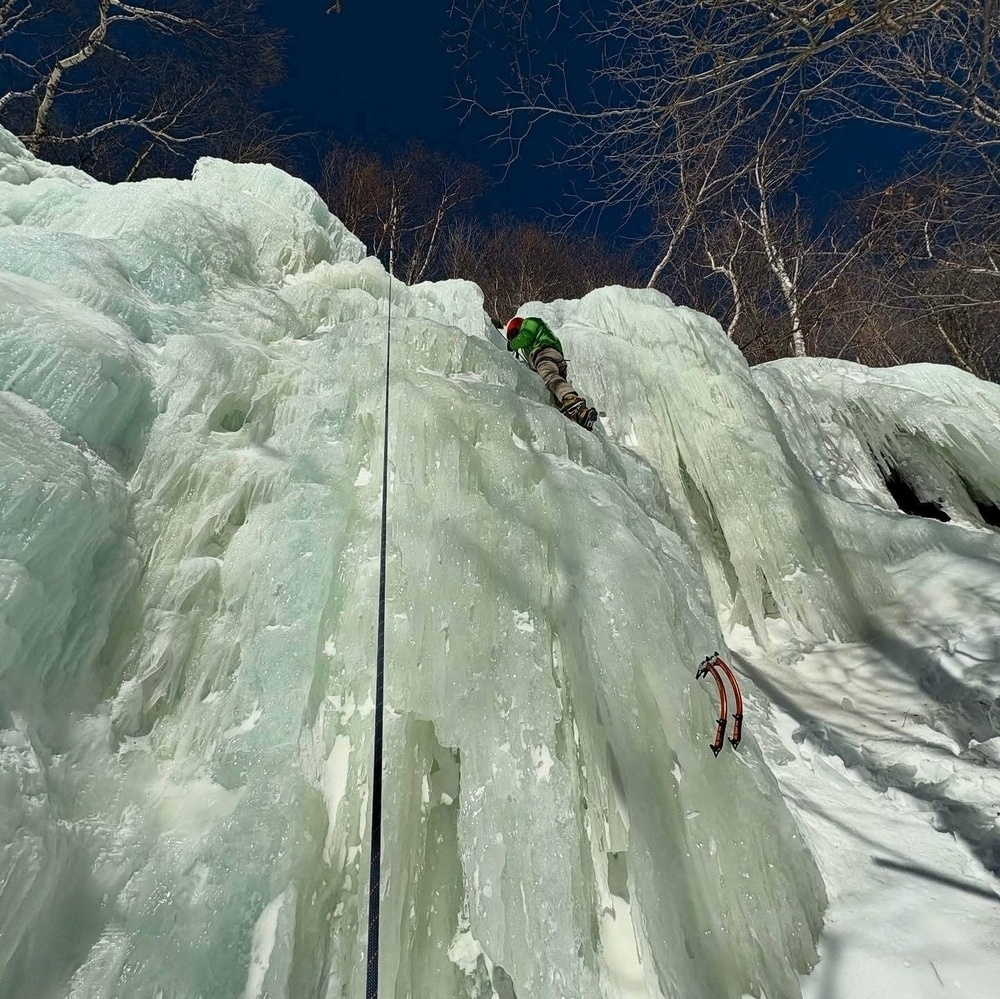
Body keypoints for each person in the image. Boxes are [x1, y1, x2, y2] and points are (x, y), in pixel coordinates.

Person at [505, 316, 599, 430]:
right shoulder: (528, 347)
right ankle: (582, 414)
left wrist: (511, 345)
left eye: (514, 334)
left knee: (550, 376)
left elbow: (525, 336)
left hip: (544, 353)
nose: (514, 338)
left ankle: (571, 399)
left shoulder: (529, 322)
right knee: (556, 397)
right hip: (555, 358)